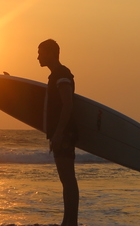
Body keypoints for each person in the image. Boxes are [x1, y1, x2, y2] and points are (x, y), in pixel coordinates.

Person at [37, 39, 79, 226]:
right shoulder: (56, 75)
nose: (37, 56)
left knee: (68, 178)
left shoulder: (62, 74)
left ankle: (71, 222)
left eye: (40, 52)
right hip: (61, 134)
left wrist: (59, 132)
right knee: (66, 179)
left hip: (64, 134)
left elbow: (68, 104)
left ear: (51, 53)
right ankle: (68, 221)